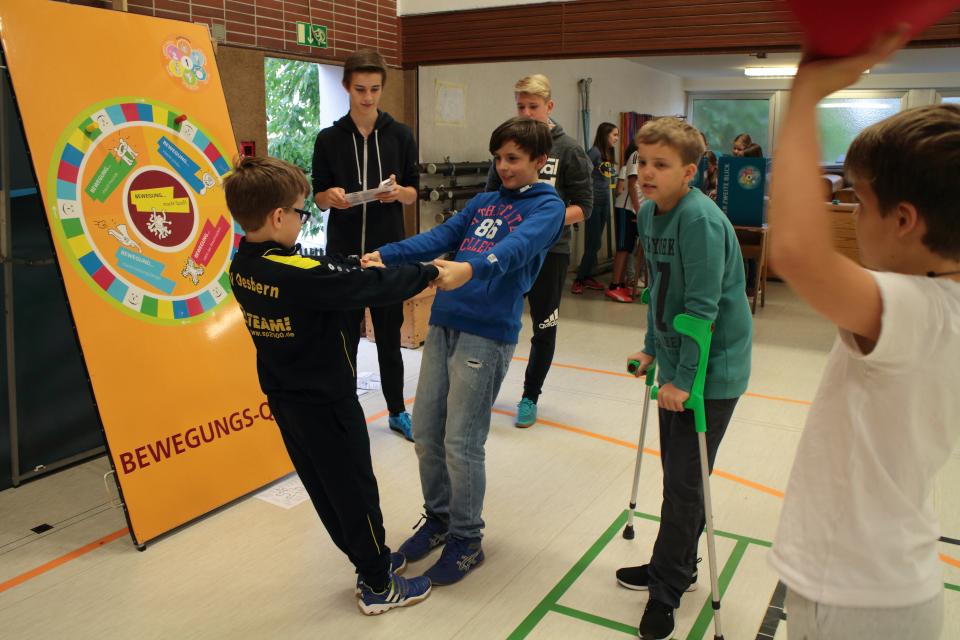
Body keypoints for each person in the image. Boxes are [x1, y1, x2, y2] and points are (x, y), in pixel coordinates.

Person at [767, 30, 960, 640]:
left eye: (859, 202)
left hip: (855, 598)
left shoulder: (919, 308)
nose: (850, 213)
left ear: (903, 220)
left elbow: (795, 253)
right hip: (886, 589)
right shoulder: (941, 300)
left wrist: (806, 93)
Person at [225, 156, 441, 615]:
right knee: (355, 490)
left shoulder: (242, 265)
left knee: (327, 488)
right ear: (278, 216)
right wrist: (429, 272)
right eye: (300, 212)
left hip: (286, 399)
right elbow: (370, 287)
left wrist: (345, 263)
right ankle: (378, 583)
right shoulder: (300, 277)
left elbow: (316, 269)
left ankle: (369, 558)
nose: (303, 220)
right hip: (327, 401)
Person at [364, 117, 566, 586]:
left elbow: (515, 250)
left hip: (487, 333)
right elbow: (438, 239)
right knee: (427, 431)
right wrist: (386, 254)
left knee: (462, 441)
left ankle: (467, 538)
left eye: (513, 158)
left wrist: (469, 270)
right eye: (498, 158)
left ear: (539, 161)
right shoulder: (483, 202)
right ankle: (439, 519)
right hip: (445, 322)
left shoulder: (548, 207)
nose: (503, 166)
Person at [614, 117, 753, 640]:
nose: (646, 173)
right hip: (677, 362)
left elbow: (700, 310)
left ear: (689, 172)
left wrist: (686, 381)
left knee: (684, 485)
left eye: (661, 165)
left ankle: (666, 588)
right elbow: (659, 292)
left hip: (713, 368)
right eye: (642, 162)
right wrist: (652, 350)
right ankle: (676, 563)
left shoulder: (700, 221)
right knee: (679, 476)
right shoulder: (650, 213)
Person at [311, 49, 420, 442]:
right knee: (344, 340)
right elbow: (317, 196)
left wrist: (399, 193)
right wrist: (330, 197)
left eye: (374, 89)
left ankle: (397, 411)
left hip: (388, 254)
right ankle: (344, 413)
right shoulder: (328, 139)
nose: (368, 97)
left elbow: (414, 193)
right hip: (343, 256)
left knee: (390, 339)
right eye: (360, 89)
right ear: (346, 87)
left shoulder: (400, 135)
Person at [484, 74, 593, 429]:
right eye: (521, 106)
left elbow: (584, 206)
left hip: (551, 252)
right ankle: (484, 388)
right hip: (509, 251)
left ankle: (530, 395)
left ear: (549, 106)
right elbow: (490, 198)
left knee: (544, 326)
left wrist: (544, 222)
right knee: (498, 320)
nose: (527, 113)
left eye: (534, 106)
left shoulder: (569, 150)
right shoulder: (507, 145)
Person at [572, 122, 619, 293]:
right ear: (605, 135)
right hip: (593, 203)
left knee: (596, 243)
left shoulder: (608, 152)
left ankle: (587, 276)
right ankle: (579, 279)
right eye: (614, 135)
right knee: (592, 243)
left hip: (605, 201)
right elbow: (580, 171)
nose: (616, 138)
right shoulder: (594, 152)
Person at [606, 139, 643, 302]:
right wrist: (638, 210)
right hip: (627, 208)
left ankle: (622, 283)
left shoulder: (648, 157)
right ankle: (614, 286)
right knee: (623, 247)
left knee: (629, 248)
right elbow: (632, 185)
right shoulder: (636, 155)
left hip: (636, 208)